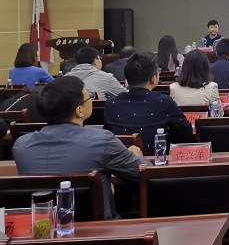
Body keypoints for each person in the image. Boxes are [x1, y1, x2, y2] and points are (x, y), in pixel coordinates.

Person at [14, 76, 151, 219]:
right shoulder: (102, 141)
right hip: (100, 230)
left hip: (43, 228)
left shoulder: (21, 146)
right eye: (89, 96)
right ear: (79, 111)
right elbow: (146, 173)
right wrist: (136, 155)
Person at [104, 52, 193, 155]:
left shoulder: (111, 103)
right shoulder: (164, 102)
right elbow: (186, 131)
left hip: (120, 162)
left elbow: (107, 135)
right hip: (154, 162)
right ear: (153, 78)